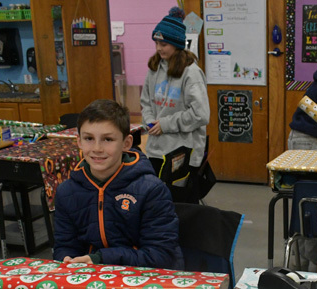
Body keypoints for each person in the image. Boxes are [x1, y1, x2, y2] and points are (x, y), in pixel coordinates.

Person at [53, 99, 184, 269]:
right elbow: (64, 247)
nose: (97, 148)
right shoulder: (66, 192)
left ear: (126, 143)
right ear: (79, 142)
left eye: (108, 139)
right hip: (92, 278)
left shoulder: (151, 189)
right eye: (89, 138)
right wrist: (67, 260)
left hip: (144, 279)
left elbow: (160, 255)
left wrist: (101, 258)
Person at [140, 7, 209, 203]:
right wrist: (150, 121)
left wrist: (166, 124)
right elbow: (145, 101)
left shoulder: (191, 73)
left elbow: (201, 114)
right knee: (157, 202)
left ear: (177, 43)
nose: (159, 48)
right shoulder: (154, 68)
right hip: (156, 148)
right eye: (156, 43)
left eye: (164, 43)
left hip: (182, 151)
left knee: (181, 204)